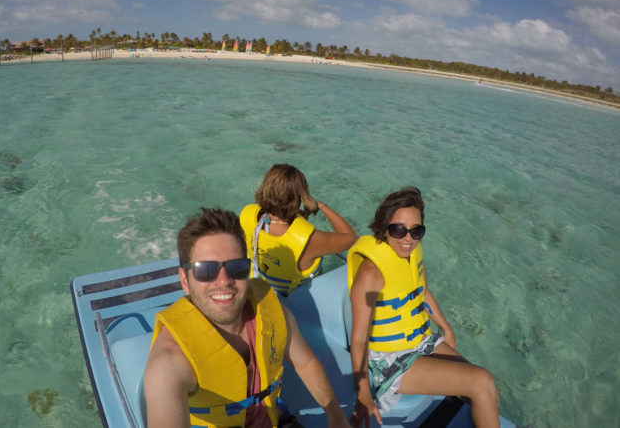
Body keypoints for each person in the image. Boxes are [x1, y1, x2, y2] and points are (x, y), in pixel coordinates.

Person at [144, 207, 351, 428]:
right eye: (205, 270)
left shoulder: (270, 308)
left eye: (236, 267)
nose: (224, 281)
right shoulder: (169, 361)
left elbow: (305, 363)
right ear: (185, 280)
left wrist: (335, 414)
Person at [347, 187, 500, 427]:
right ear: (384, 227)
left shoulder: (414, 251)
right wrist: (363, 393)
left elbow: (423, 293)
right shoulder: (370, 273)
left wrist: (446, 328)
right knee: (481, 381)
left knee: (485, 387)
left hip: (422, 341)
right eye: (398, 230)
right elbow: (358, 340)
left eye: (416, 231)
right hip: (390, 360)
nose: (407, 238)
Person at [240, 164, 356, 296]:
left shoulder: (247, 214)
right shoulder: (309, 239)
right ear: (299, 198)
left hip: (262, 288)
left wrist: (299, 221)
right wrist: (321, 205)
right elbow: (350, 238)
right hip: (296, 298)